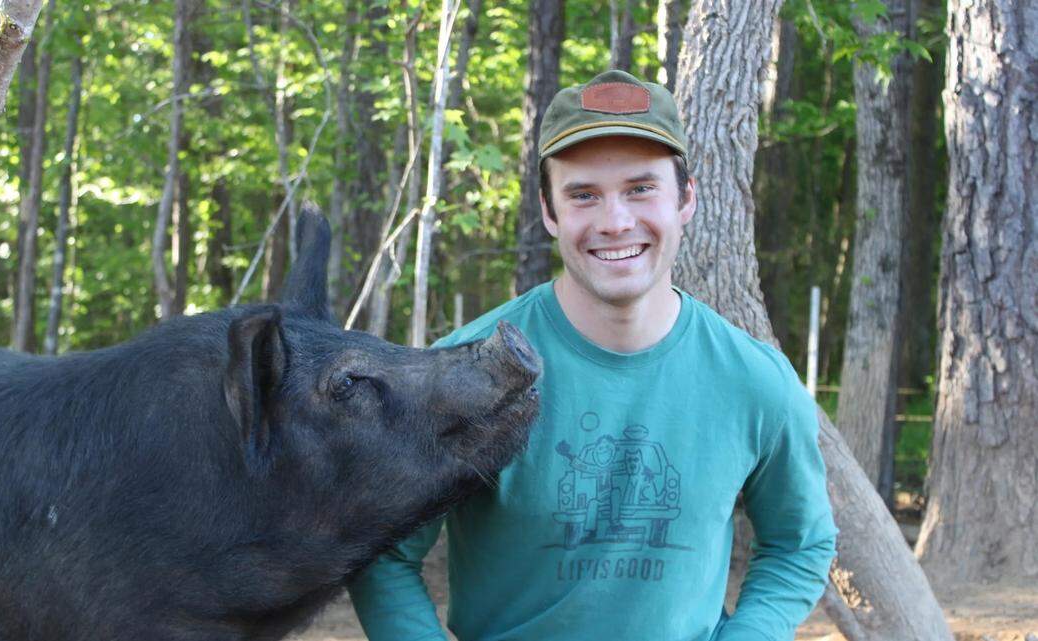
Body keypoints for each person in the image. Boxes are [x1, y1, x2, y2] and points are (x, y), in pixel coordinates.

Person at [348, 69, 837, 641]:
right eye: (583, 195)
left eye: (641, 188)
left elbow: (800, 544)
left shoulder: (755, 381)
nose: (615, 221)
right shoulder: (462, 372)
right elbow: (382, 551)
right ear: (550, 212)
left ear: (686, 198)